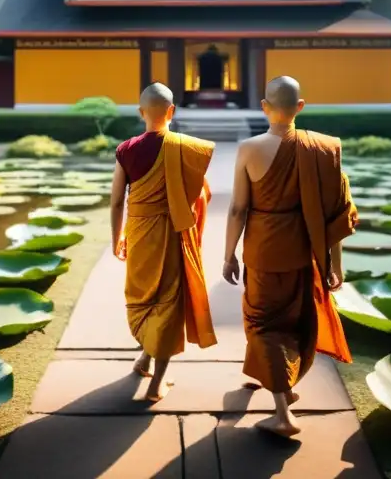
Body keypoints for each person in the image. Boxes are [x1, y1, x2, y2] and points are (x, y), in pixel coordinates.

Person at [222, 75, 357, 438]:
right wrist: (334, 265)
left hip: (263, 248)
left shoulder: (249, 149)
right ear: (300, 107)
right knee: (292, 321)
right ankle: (280, 382)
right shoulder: (322, 149)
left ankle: (283, 412)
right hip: (301, 251)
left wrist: (228, 254)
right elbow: (335, 215)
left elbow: (237, 209)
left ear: (265, 107)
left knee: (264, 324)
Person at [110, 82, 217, 402]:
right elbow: (200, 195)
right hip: (172, 235)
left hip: (140, 233)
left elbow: (117, 202)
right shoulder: (187, 147)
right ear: (172, 111)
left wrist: (117, 239)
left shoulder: (126, 149)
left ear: (141, 112)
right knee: (167, 304)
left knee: (142, 297)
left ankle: (145, 358)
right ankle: (156, 384)